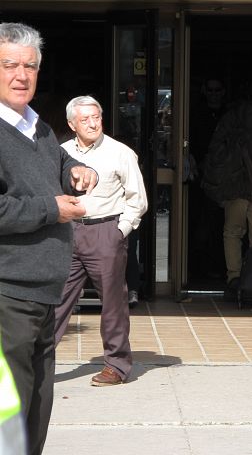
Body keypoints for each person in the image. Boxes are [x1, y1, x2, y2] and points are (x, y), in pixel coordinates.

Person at [0, 22, 98, 455]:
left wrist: (77, 172)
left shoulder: (36, 126)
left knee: (36, 409)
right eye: (9, 65)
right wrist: (51, 209)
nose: (21, 75)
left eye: (30, 66)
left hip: (44, 293)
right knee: (8, 418)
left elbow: (58, 167)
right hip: (7, 294)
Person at [53, 95, 148, 387]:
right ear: (72, 124)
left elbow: (137, 199)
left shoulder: (120, 153)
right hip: (67, 233)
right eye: (85, 119)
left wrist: (121, 229)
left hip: (105, 231)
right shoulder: (60, 152)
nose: (93, 123)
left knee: (113, 302)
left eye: (97, 117)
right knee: (53, 301)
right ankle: (35, 363)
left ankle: (116, 366)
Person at [204, 77, 252, 296]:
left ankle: (234, 277)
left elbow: (217, 149)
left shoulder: (234, 117)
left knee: (232, 233)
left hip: (236, 187)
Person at [188, 78, 227, 282]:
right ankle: (197, 270)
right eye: (209, 89)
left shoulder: (229, 116)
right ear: (204, 90)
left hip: (224, 180)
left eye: (217, 89)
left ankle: (218, 269)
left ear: (223, 91)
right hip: (200, 179)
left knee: (221, 226)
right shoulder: (194, 115)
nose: (213, 93)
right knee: (199, 224)